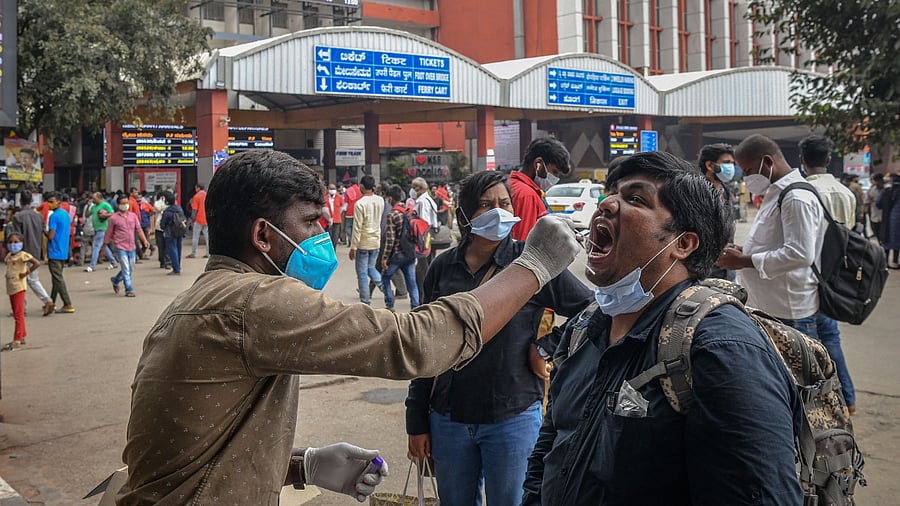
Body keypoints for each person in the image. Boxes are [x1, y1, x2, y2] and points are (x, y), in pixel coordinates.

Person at [117, 149, 581, 505]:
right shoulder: (254, 300)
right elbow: (415, 343)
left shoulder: (194, 302)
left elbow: (197, 452)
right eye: (311, 224)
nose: (321, 238)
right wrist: (534, 266)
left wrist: (302, 465)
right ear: (262, 236)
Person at [523, 151, 802, 504]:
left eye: (635, 199)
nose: (607, 204)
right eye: (612, 193)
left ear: (683, 244)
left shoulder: (722, 349)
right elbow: (550, 446)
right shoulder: (583, 328)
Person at [406, 171, 592, 506]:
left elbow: (592, 308)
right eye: (486, 204)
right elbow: (424, 345)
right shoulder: (442, 268)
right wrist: (416, 420)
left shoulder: (531, 263)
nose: (499, 210)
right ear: (464, 214)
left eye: (504, 203)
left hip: (513, 416)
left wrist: (546, 347)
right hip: (448, 417)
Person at [794, 134, 858, 413]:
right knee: (831, 337)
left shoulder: (801, 191)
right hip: (835, 277)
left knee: (810, 342)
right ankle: (849, 398)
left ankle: (821, 400)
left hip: (808, 276)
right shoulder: (846, 192)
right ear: (829, 160)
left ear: (802, 160)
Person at [509, 137, 572, 241]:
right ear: (538, 164)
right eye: (554, 172)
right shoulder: (526, 194)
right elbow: (522, 243)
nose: (555, 179)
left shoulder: (511, 184)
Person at [696, 143, 738, 281]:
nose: (730, 167)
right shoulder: (697, 192)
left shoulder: (726, 191)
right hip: (705, 270)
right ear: (710, 165)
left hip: (728, 268)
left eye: (732, 163)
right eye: (726, 163)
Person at [10, 191, 54, 315]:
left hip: (22, 252)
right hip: (35, 250)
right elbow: (43, 232)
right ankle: (23, 308)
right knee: (31, 279)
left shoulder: (17, 217)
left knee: (24, 281)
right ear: (31, 201)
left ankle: (45, 301)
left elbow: (16, 237)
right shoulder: (38, 216)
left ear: (21, 201)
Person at [381, 184, 419, 311]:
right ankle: (415, 307)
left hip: (398, 254)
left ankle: (390, 304)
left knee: (386, 276)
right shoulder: (410, 211)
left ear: (391, 198)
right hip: (411, 252)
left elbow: (390, 239)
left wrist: (385, 257)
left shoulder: (393, 214)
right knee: (412, 282)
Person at [103, 195, 150, 297]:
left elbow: (139, 230)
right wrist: (104, 247)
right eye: (123, 203)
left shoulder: (133, 216)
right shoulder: (113, 218)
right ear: (119, 205)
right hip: (120, 246)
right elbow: (108, 233)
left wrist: (144, 241)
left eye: (126, 203)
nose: (125, 205)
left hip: (132, 246)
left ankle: (115, 280)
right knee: (125, 267)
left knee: (130, 267)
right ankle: (129, 289)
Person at [349, 175, 385, 304]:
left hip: (363, 242)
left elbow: (357, 227)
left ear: (362, 187)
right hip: (376, 240)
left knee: (362, 273)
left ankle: (365, 301)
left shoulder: (360, 204)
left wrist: (353, 247)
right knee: (371, 268)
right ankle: (386, 290)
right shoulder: (380, 200)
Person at [3, 232, 40, 350]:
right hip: (11, 287)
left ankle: (17, 338)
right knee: (16, 312)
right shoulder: (9, 256)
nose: (13, 245)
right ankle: (22, 334)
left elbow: (36, 263)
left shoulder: (23, 255)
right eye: (10, 242)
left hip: (19, 287)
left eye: (16, 242)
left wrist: (26, 273)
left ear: (21, 243)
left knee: (19, 314)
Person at [44, 192, 75, 314]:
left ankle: (67, 303)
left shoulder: (54, 216)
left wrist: (44, 232)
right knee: (56, 279)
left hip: (54, 251)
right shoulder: (65, 215)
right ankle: (51, 302)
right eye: (48, 201)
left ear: (58, 202)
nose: (49, 204)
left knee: (58, 279)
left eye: (52, 201)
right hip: (63, 250)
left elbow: (51, 236)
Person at [411, 177, 440, 298]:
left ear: (421, 188)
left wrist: (419, 241)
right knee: (427, 265)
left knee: (421, 269)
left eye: (414, 188)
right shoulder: (429, 199)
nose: (412, 190)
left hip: (424, 237)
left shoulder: (422, 202)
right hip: (430, 234)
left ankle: (423, 297)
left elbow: (422, 222)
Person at [84, 192, 118, 272]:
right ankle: (113, 262)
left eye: (95, 199)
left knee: (96, 246)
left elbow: (112, 213)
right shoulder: (94, 207)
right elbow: (87, 215)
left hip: (103, 228)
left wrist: (104, 215)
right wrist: (88, 206)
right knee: (103, 246)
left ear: (99, 198)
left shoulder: (105, 205)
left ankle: (92, 265)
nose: (93, 200)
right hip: (96, 229)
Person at [877, 174, 900, 268]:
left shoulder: (886, 191)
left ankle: (886, 262)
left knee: (886, 239)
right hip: (897, 220)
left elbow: (878, 203)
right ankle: (895, 261)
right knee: (897, 241)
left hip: (887, 219)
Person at [159, 192, 184, 276]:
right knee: (178, 249)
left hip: (170, 233)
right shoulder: (179, 208)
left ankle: (176, 269)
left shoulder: (167, 211)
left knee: (172, 250)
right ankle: (178, 266)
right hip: (179, 231)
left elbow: (163, 224)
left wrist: (163, 227)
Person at [188, 183, 209, 258]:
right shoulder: (207, 195)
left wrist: (192, 219)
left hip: (198, 219)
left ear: (198, 188)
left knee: (195, 237)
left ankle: (193, 253)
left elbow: (194, 210)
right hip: (206, 219)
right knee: (207, 237)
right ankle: (208, 253)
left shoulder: (196, 197)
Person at [153, 191, 170, 269]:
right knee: (160, 245)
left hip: (167, 227)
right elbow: (158, 207)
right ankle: (162, 261)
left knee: (167, 245)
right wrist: (162, 201)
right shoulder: (157, 203)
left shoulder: (170, 204)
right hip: (158, 227)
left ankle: (167, 261)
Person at [866, 173, 885, 240]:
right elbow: (867, 201)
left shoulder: (887, 190)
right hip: (874, 214)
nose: (876, 183)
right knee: (876, 231)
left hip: (885, 216)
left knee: (884, 234)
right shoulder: (871, 190)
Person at [344, 179, 362, 248]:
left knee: (348, 227)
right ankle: (356, 242)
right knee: (356, 228)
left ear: (351, 183)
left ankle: (351, 241)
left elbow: (346, 203)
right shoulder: (360, 190)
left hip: (349, 212)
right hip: (359, 212)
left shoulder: (348, 190)